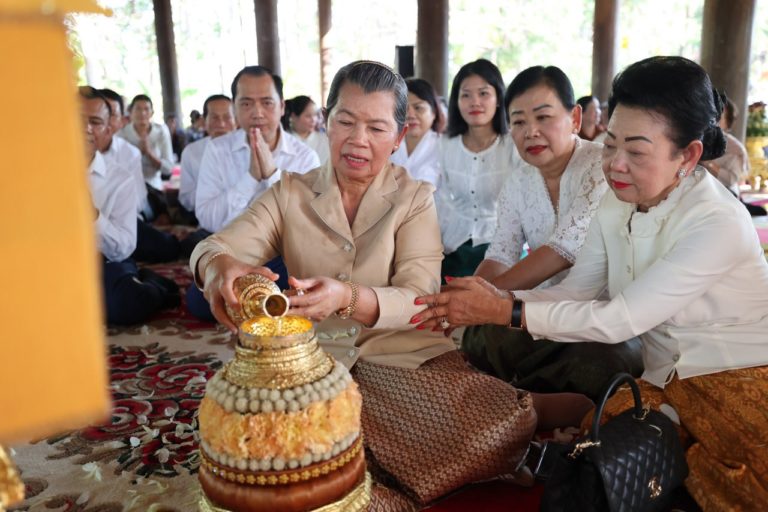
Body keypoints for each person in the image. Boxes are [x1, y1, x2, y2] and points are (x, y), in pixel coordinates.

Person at [190, 61, 588, 510]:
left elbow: (419, 298)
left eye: (376, 128)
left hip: (399, 355)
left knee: (481, 432)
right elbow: (215, 246)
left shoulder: (413, 198)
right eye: (346, 122)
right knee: (269, 449)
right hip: (308, 362)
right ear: (327, 122)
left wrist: (347, 298)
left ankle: (522, 409)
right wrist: (218, 267)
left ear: (398, 137)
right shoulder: (289, 193)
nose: (358, 140)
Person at [414, 56, 768, 510]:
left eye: (636, 152)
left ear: (688, 155)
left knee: (733, 477)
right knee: (621, 456)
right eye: (610, 144)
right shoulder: (617, 200)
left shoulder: (716, 220)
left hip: (736, 374)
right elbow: (578, 288)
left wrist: (503, 309)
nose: (615, 164)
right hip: (662, 380)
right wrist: (493, 299)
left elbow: (621, 319)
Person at [460, 66, 641, 400]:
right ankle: (537, 393)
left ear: (575, 118)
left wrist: (483, 300)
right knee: (480, 336)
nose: (531, 132)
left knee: (606, 361)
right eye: (518, 122)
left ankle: (525, 393)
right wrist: (469, 297)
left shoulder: (600, 165)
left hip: (599, 316)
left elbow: (563, 250)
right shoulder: (518, 181)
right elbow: (500, 253)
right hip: (538, 309)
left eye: (543, 117)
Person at [189, 66, 320, 320]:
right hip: (232, 252)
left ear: (282, 107)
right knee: (200, 303)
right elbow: (207, 218)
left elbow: (306, 226)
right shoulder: (217, 150)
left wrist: (271, 174)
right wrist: (250, 178)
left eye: (267, 103)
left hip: (284, 256)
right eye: (246, 104)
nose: (257, 113)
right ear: (235, 108)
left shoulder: (305, 156)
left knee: (300, 286)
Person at [80, 87, 179, 325]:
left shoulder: (119, 177)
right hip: (52, 259)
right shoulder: (38, 169)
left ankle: (151, 286)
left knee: (124, 304)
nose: (85, 129)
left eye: (95, 122)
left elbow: (123, 249)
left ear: (109, 130)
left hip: (103, 258)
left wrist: (92, 215)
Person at [435, 59, 521, 279]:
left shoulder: (513, 145)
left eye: (483, 93)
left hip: (503, 247)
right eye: (466, 95)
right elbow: (441, 198)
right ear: (456, 101)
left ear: (499, 98)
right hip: (454, 246)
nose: (475, 102)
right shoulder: (446, 144)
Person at [98, 88, 180, 264]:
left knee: (165, 247)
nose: (104, 122)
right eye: (96, 116)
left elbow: (139, 200)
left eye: (112, 115)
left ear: (121, 119)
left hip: (126, 214)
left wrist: (149, 152)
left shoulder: (130, 152)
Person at [178, 94, 237, 219]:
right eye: (215, 118)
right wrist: (209, 194)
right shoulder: (191, 153)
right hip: (209, 222)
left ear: (236, 120)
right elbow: (186, 198)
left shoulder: (250, 148)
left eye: (227, 117)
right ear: (204, 121)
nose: (221, 124)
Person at [389, 78, 442, 186]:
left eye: (418, 108)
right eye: (404, 109)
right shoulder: (387, 143)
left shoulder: (444, 146)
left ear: (434, 113)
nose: (410, 115)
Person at [118, 94, 174, 191]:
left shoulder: (161, 132)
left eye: (146, 109)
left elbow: (168, 169)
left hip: (155, 189)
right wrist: (137, 153)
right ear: (130, 112)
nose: (142, 113)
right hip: (129, 188)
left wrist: (149, 153)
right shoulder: (122, 133)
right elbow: (118, 168)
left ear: (152, 113)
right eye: (138, 109)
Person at [282, 95, 330, 164]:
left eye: (315, 115)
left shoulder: (324, 139)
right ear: (293, 116)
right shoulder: (284, 138)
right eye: (308, 116)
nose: (314, 120)